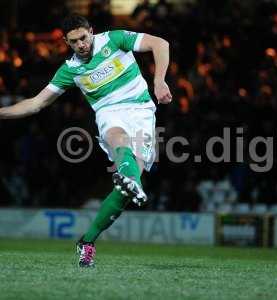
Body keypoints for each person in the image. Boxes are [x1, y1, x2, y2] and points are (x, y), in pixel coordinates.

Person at [0, 14, 172, 267]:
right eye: (74, 41)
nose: (81, 44)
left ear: (91, 31)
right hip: (109, 113)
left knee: (126, 191)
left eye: (83, 37)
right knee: (118, 137)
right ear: (66, 42)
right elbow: (35, 104)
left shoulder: (115, 39)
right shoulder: (70, 70)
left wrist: (159, 80)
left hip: (143, 111)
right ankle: (129, 177)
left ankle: (87, 241)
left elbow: (161, 44)